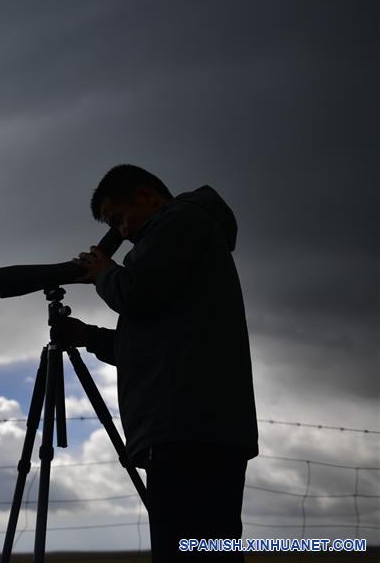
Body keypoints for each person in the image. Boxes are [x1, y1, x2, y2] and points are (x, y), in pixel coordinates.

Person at [56, 164, 258, 562]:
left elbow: (136, 295)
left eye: (119, 219)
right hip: (194, 427)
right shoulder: (176, 242)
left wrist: (104, 273)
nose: (123, 233)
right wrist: (89, 337)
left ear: (148, 196)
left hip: (188, 431)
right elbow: (153, 345)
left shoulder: (179, 222)